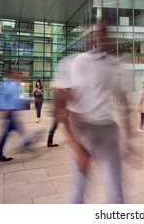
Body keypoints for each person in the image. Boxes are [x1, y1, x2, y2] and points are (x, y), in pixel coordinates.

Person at [53, 22, 134, 204]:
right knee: (79, 186)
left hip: (106, 131)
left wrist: (130, 138)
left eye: (104, 31)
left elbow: (123, 103)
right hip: (82, 130)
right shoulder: (72, 63)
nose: (100, 35)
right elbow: (59, 107)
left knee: (115, 190)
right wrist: (76, 147)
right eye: (96, 31)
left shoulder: (114, 65)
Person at [0, 69, 39, 162]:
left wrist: (26, 102)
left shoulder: (12, 84)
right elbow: (3, 98)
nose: (18, 75)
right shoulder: (7, 84)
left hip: (11, 112)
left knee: (10, 132)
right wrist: (3, 108)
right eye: (16, 74)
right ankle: (27, 144)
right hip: (9, 112)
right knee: (14, 131)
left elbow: (14, 99)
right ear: (11, 74)